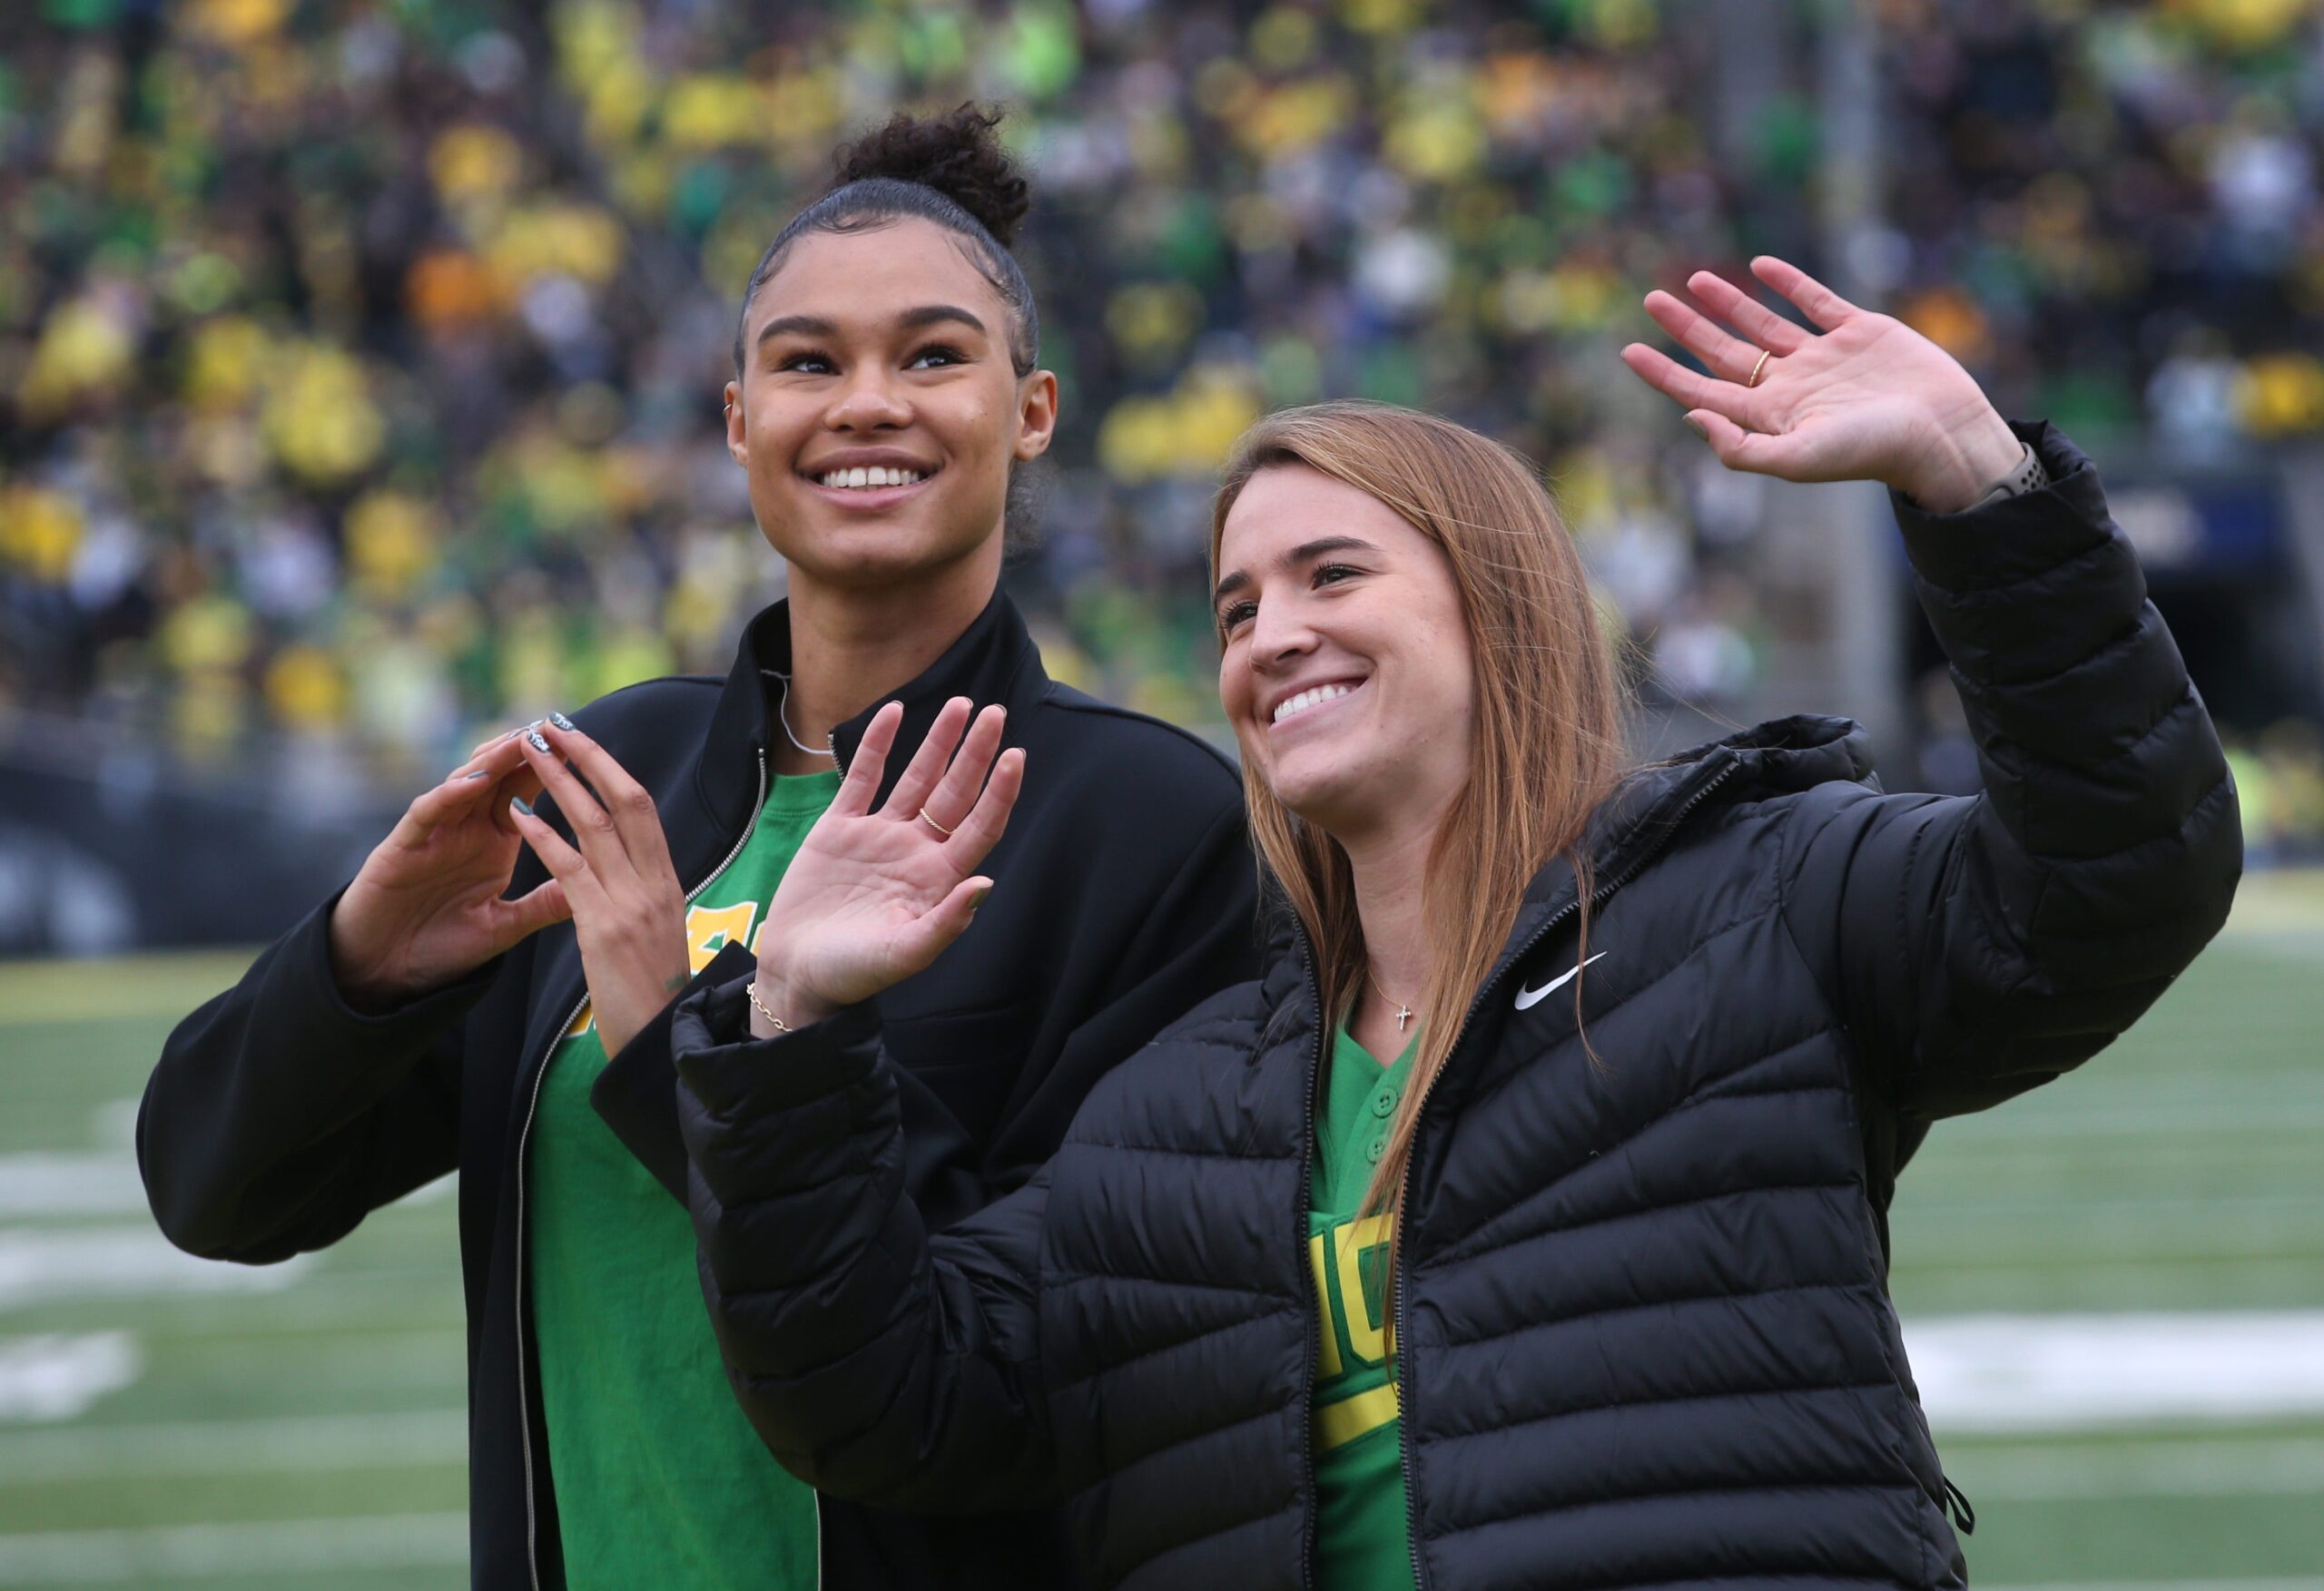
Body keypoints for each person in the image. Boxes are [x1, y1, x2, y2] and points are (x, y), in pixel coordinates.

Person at [661, 257, 2240, 1590]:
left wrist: (1980, 482)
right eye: (1235, 608)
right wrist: (789, 1017)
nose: (1276, 635)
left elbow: (2113, 885)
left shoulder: (1757, 904)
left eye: (1331, 572)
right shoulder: (1177, 1106)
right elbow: (889, 1407)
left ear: (1493, 605)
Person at [138, 105, 1258, 1591]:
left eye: (932, 355)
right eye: (808, 362)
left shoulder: (1154, 832)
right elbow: (218, 1190)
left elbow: (1020, 1375)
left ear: (1032, 409)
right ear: (738, 421)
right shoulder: (613, 779)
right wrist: (357, 970)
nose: (867, 403)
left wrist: (682, 1032)